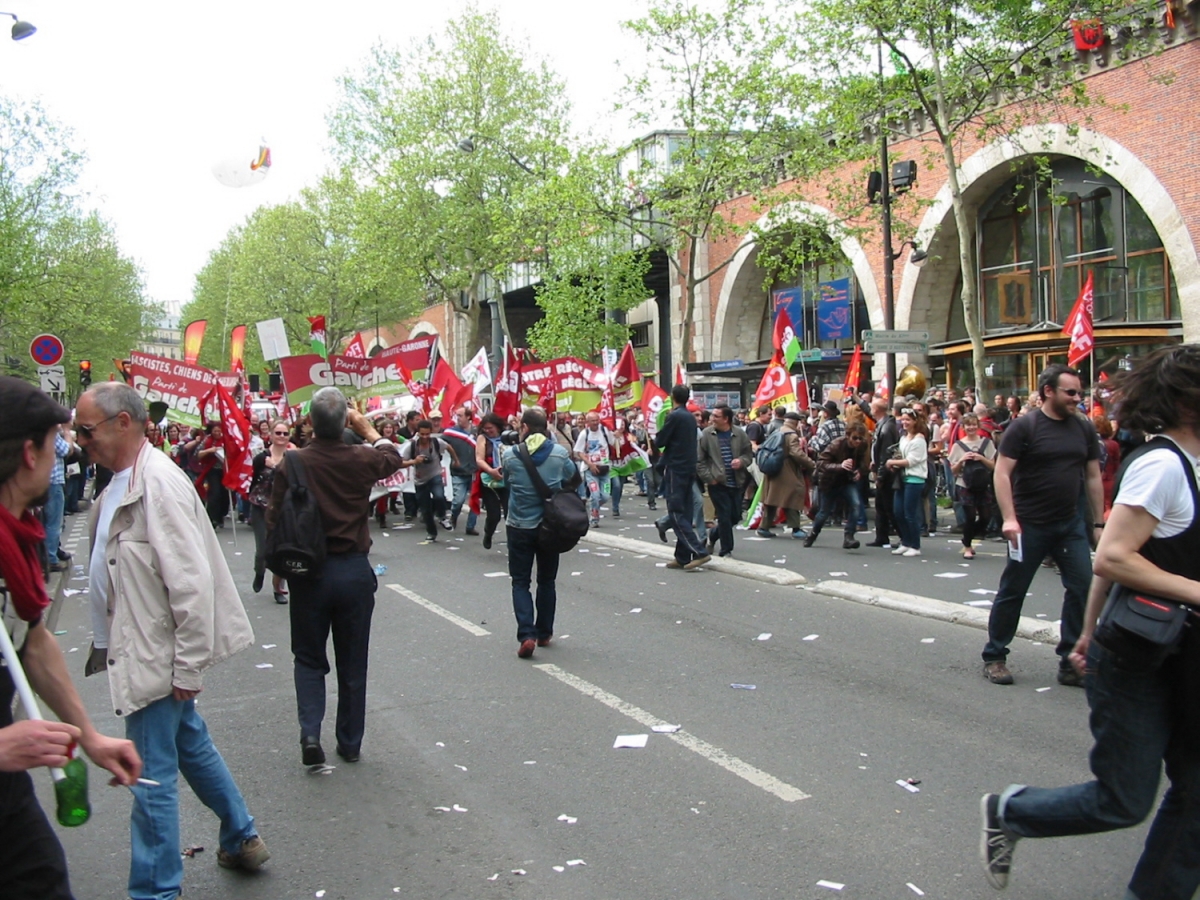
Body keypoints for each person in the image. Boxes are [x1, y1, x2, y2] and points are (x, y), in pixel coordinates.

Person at [980, 345, 1200, 899]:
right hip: (1138, 655)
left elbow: (1103, 544)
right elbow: (1118, 558)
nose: (1077, 400)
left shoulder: (1094, 437)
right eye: (1070, 392)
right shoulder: (1161, 465)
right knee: (1124, 798)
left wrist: (1083, 630)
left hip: (1180, 647)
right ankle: (1012, 811)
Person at [76, 382, 268, 899]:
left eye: (85, 428)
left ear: (123, 422)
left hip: (154, 651)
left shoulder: (158, 483)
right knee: (189, 745)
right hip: (143, 643)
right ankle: (241, 834)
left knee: (150, 777)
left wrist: (186, 666)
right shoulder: (120, 478)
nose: (79, 438)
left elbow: (191, 582)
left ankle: (156, 890)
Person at [0, 377, 141, 900]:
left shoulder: (17, 534)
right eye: (58, 439)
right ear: (30, 453)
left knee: (39, 877)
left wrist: (89, 735)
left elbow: (33, 641)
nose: (66, 450)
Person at [268, 387, 407, 766]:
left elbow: (274, 517)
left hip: (308, 572)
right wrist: (368, 429)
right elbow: (393, 456)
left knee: (309, 657)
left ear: (309, 423)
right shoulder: (361, 458)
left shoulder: (292, 464)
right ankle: (349, 741)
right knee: (352, 660)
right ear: (346, 421)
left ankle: (310, 731)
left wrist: (278, 568)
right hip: (352, 569)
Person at [981, 364, 1102, 687]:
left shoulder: (1084, 428)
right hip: (1029, 525)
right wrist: (1009, 518)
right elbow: (1002, 473)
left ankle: (1070, 661)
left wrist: (1099, 521)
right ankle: (995, 655)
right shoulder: (1025, 427)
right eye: (1071, 392)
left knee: (1082, 587)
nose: (1078, 397)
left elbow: (1092, 476)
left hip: (1069, 524)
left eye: (1080, 392)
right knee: (1013, 590)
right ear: (1049, 391)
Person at [500, 408, 578, 659]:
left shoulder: (510, 455)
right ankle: (544, 632)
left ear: (523, 427)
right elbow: (574, 478)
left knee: (520, 581)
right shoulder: (558, 453)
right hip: (549, 526)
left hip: (519, 526)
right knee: (547, 580)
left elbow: (507, 482)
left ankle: (527, 634)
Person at [655, 386, 711, 570]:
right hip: (688, 468)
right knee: (685, 512)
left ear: (673, 397)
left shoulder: (675, 416)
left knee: (676, 512)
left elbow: (660, 441)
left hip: (676, 468)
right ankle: (682, 556)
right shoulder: (689, 417)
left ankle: (699, 551)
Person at [697, 405, 752, 558]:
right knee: (724, 516)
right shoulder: (706, 434)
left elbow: (748, 454)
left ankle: (713, 535)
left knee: (734, 517)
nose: (712, 419)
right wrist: (710, 478)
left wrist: (741, 462)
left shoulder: (739, 434)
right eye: (712, 415)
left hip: (736, 482)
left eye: (716, 416)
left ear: (726, 419)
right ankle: (726, 550)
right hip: (717, 483)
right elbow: (699, 461)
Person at [805, 422, 870, 549]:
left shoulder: (862, 446)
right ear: (848, 436)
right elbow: (821, 463)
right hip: (830, 482)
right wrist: (840, 466)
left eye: (860, 438)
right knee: (824, 512)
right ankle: (813, 534)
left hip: (847, 480)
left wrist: (859, 472)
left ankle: (849, 536)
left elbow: (863, 463)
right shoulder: (836, 445)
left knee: (855, 504)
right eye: (854, 438)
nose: (857, 441)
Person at [248, 417, 292, 603]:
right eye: (278, 433)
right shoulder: (261, 457)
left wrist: (276, 467)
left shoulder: (293, 457)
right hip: (260, 507)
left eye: (285, 433)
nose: (281, 436)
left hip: (283, 509)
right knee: (263, 550)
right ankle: (259, 572)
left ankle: (278, 588)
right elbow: (251, 479)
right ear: (271, 435)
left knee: (282, 550)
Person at [758, 411, 815, 539]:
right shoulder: (791, 435)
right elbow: (796, 453)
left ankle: (764, 527)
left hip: (773, 468)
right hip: (786, 470)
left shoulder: (778, 431)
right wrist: (811, 463)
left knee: (772, 499)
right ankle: (795, 529)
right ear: (796, 422)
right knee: (794, 495)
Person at [948, 413, 997, 559]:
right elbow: (953, 470)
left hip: (983, 484)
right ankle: (968, 546)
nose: (971, 427)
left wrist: (981, 458)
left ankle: (967, 536)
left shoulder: (986, 443)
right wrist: (962, 460)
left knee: (985, 517)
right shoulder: (958, 445)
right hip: (965, 484)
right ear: (963, 427)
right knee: (969, 517)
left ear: (978, 425)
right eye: (968, 425)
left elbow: (993, 466)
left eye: (974, 424)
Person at [403, 419, 458, 544]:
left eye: (427, 434)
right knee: (425, 509)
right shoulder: (412, 446)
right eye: (422, 434)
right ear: (418, 433)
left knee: (439, 496)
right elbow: (401, 462)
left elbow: (449, 447)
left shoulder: (436, 442)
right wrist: (414, 461)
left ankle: (442, 516)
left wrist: (456, 460)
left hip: (435, 475)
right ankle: (431, 532)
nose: (425, 437)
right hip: (420, 480)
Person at [885, 407, 928, 557]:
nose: (904, 422)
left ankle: (915, 545)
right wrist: (894, 462)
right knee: (898, 512)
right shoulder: (903, 438)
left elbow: (912, 460)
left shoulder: (919, 439)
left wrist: (892, 462)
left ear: (915, 421)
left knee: (910, 513)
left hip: (915, 479)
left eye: (908, 420)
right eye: (903, 419)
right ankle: (906, 542)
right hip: (902, 478)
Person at [573, 412, 619, 528]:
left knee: (605, 496)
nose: (595, 423)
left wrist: (617, 436)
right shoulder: (584, 434)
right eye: (592, 421)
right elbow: (579, 452)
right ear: (587, 422)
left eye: (597, 420)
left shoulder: (604, 431)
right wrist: (590, 464)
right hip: (590, 471)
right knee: (595, 494)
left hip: (605, 469)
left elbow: (614, 443)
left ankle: (593, 506)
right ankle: (594, 517)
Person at [869, 401, 904, 548]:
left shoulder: (886, 428)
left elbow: (886, 453)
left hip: (887, 473)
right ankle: (881, 536)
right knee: (881, 506)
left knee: (889, 506)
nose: (870, 409)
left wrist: (881, 475)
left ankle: (904, 536)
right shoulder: (883, 425)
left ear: (876, 409)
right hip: (882, 469)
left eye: (871, 407)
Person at [475, 413, 510, 550]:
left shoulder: (507, 436)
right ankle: (488, 534)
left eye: (491, 428)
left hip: (507, 480)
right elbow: (479, 459)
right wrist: (491, 471)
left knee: (510, 513)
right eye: (485, 428)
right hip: (489, 481)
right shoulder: (482, 438)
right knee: (494, 515)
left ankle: (512, 541)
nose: (488, 431)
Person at [444, 407, 479, 533]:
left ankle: (471, 527)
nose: (457, 418)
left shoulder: (477, 431)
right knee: (458, 500)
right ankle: (454, 517)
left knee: (475, 501)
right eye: (456, 415)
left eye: (460, 415)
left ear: (468, 417)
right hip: (458, 471)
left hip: (475, 471)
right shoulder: (451, 432)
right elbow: (438, 442)